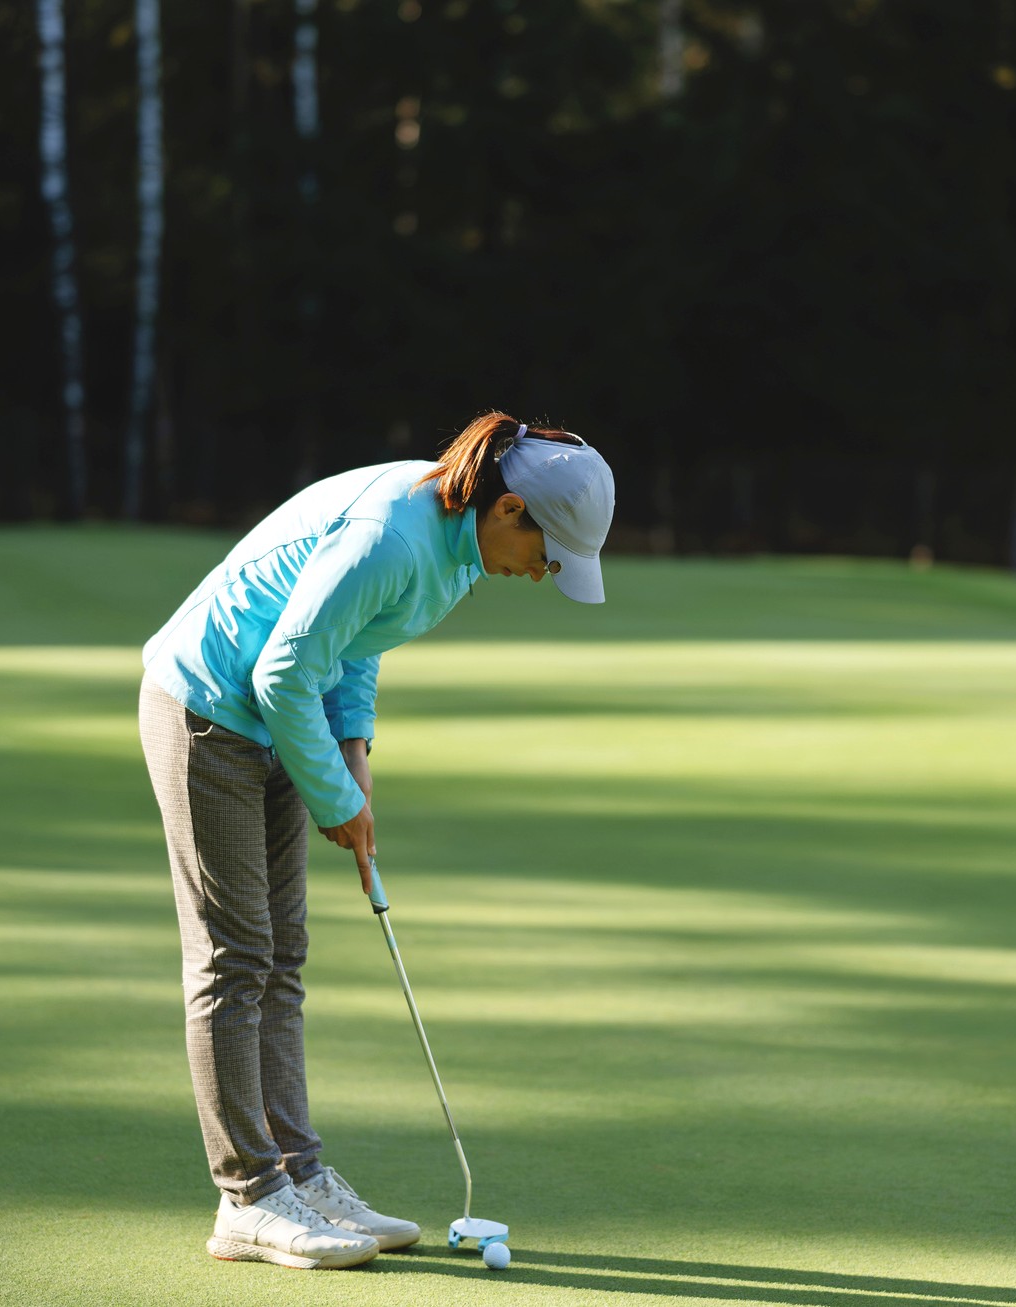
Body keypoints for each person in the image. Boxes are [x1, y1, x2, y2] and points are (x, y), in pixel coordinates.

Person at [137, 412, 615, 1270]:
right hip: (208, 710)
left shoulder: (458, 547)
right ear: (510, 509)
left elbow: (354, 646)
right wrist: (332, 798)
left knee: (281, 956)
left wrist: (353, 762)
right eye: (551, 552)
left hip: (276, 718)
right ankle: (248, 1195)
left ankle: (300, 1173)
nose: (547, 573)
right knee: (234, 957)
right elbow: (281, 668)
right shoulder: (396, 536)